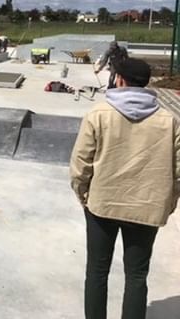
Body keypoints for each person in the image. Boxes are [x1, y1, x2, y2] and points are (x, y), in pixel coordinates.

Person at [70, 58, 179, 319]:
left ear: (119, 80)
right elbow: (178, 171)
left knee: (97, 271)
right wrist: (167, 202)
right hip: (147, 207)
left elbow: (80, 163)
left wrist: (84, 194)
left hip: (102, 205)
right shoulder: (170, 121)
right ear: (146, 83)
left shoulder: (99, 114)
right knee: (137, 275)